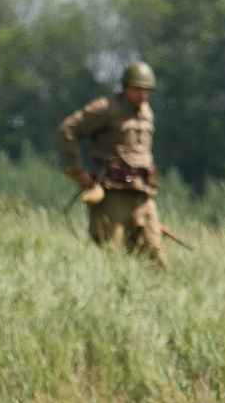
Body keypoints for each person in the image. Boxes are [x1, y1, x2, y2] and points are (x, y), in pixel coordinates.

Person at [57, 62, 166, 267]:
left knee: (156, 259)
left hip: (143, 196)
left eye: (146, 90)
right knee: (109, 257)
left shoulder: (147, 112)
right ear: (125, 87)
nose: (142, 95)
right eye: (137, 89)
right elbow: (68, 130)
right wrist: (79, 172)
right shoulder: (105, 108)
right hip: (112, 195)